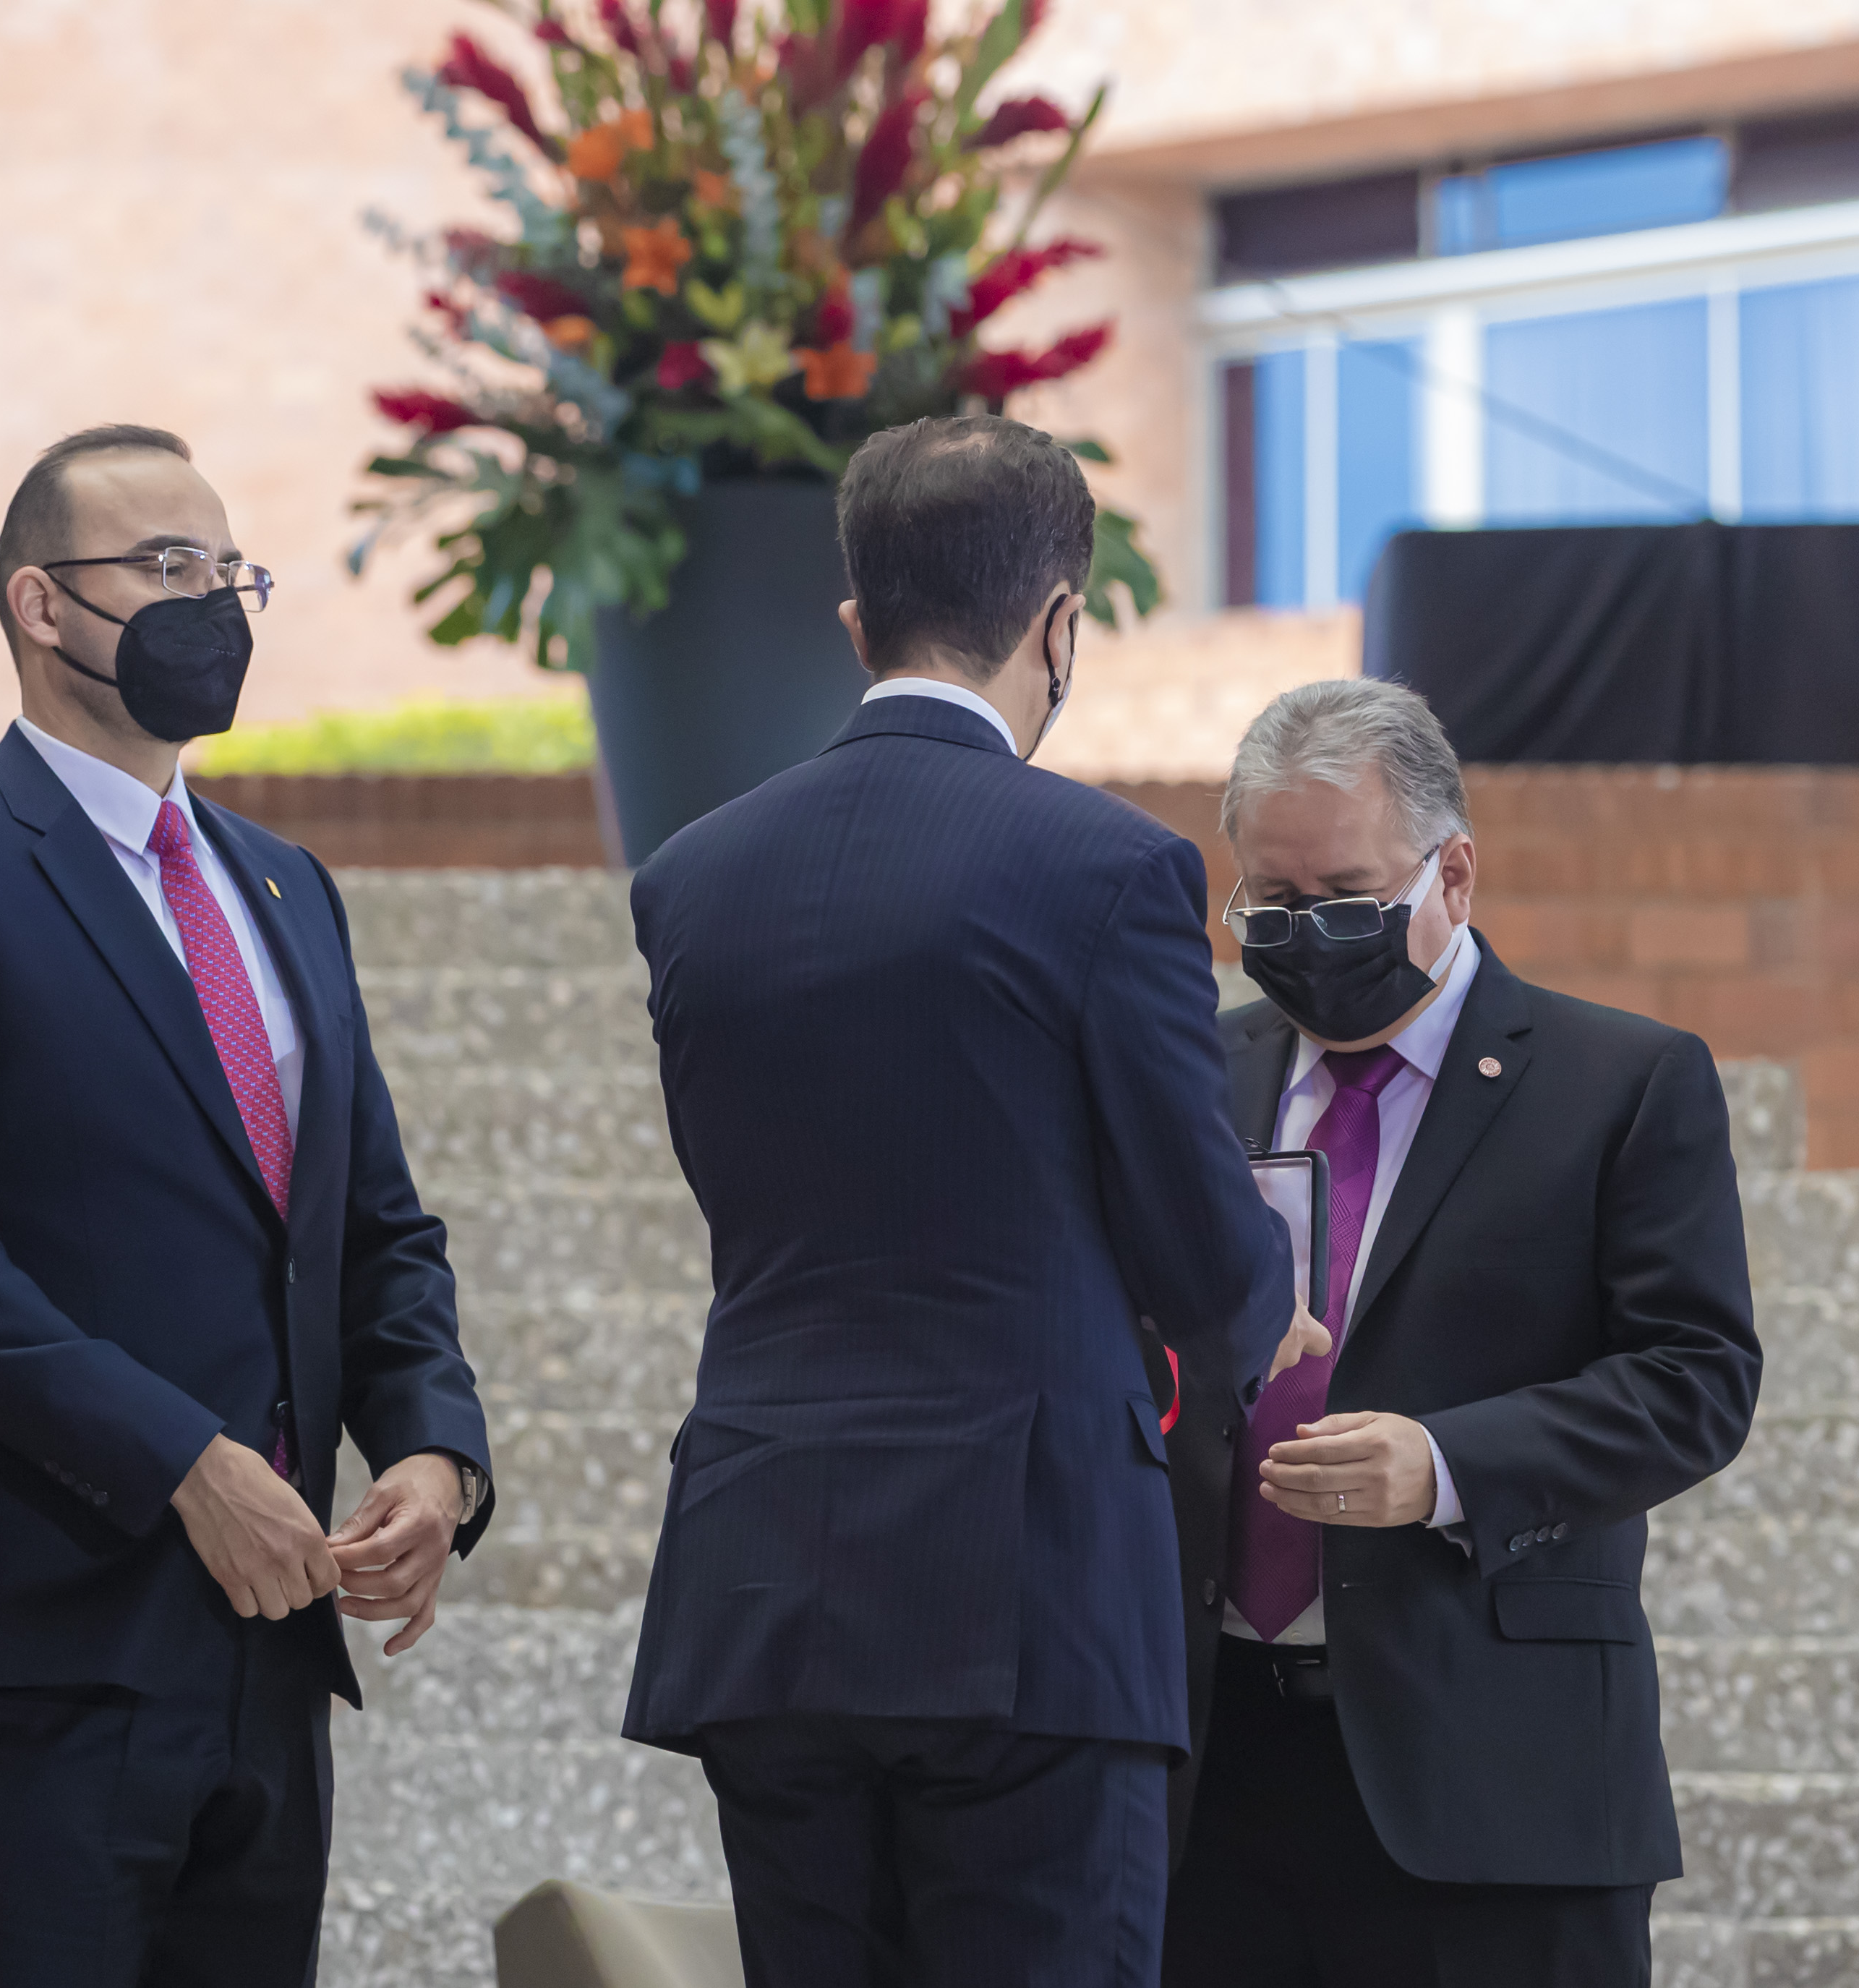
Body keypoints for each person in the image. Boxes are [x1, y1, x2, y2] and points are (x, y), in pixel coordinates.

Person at [0, 425, 495, 1987]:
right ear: (40, 603)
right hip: (37, 1644)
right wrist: (181, 1460)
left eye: (229, 569)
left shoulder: (285, 883)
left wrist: (435, 1449)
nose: (211, 602)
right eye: (167, 566)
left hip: (270, 1641)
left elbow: (374, 1227)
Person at [619, 414, 1314, 1987]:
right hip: (1023, 1593)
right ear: (1059, 623)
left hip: (762, 1572)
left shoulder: (692, 876)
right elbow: (1200, 1240)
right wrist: (1267, 1310)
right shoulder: (1108, 869)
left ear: (855, 620)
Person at [1150, 678, 1762, 1987]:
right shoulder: (1194, 1074)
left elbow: (1697, 1378)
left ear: (1455, 874)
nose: (1310, 937)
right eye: (1272, 906)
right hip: (1212, 1772)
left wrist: (1443, 1465)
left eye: (1349, 899)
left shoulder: (1620, 1083)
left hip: (1495, 1779)